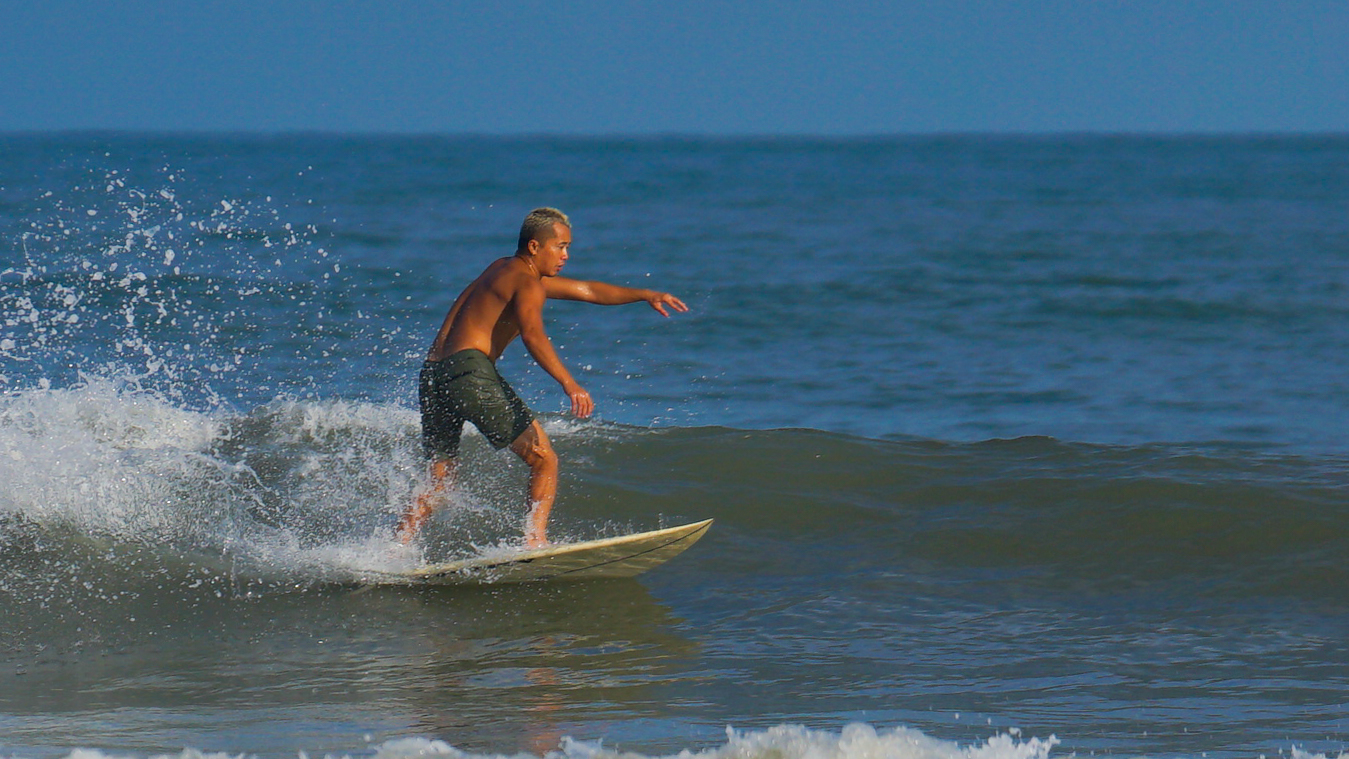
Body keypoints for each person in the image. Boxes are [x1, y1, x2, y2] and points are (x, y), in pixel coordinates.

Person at [397, 207, 688, 548]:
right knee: (544, 458)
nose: (566, 255)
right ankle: (535, 541)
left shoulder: (501, 269)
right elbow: (533, 335)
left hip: (433, 374)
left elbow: (588, 290)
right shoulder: (527, 283)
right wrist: (570, 383)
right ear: (535, 247)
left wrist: (645, 294)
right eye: (560, 246)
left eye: (568, 248)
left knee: (441, 479)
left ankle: (397, 545)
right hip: (469, 371)